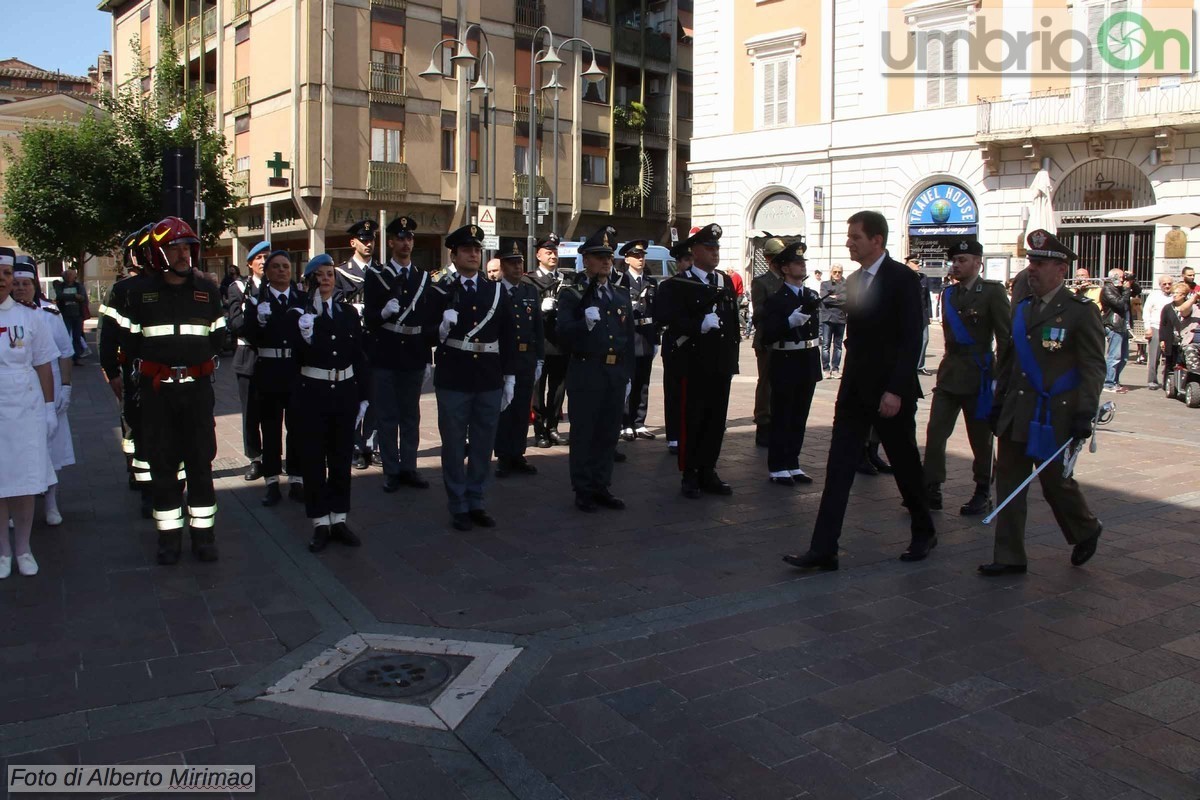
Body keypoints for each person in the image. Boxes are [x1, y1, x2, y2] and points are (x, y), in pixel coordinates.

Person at [784, 210, 935, 571]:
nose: (849, 242)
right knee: (838, 467)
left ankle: (923, 530)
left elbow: (911, 337)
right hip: (854, 391)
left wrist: (896, 390)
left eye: (855, 237)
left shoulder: (901, 278)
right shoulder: (853, 280)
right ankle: (824, 549)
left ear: (876, 241)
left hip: (889, 393)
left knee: (904, 464)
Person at [980, 229, 1106, 576]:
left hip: (1055, 415)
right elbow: (1009, 360)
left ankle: (1085, 528)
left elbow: (1094, 365)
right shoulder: (1022, 308)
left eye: (1039, 262)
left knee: (1055, 484)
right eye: (1030, 261)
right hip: (1016, 412)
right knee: (1008, 482)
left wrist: (1085, 411)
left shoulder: (1080, 312)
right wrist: (997, 400)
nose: (1031, 268)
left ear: (1061, 269)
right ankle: (1009, 556)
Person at [120, 218, 225, 565]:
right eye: (175, 247)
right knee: (163, 468)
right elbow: (129, 344)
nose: (183, 254)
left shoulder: (207, 289)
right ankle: (168, 540)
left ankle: (204, 538)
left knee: (200, 466)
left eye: (187, 247)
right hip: (158, 396)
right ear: (158, 252)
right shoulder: (138, 293)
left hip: (196, 394)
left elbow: (221, 338)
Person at [432, 224, 517, 531]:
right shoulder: (440, 289)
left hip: (488, 377)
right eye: (466, 250)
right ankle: (457, 504)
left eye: (477, 250)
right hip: (454, 377)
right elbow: (426, 332)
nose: (473, 254)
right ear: (453, 255)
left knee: (483, 443)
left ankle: (477, 499)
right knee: (454, 444)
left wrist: (509, 376)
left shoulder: (495, 290)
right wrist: (440, 329)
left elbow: (508, 335)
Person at [921, 240, 1011, 517]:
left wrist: (1002, 381)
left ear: (977, 263)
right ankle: (932, 487)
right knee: (935, 432)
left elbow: (1006, 339)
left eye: (962, 259)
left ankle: (982, 490)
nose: (956, 265)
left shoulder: (992, 293)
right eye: (954, 260)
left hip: (980, 375)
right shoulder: (949, 294)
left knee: (980, 439)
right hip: (950, 374)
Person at [655, 223, 741, 499]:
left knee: (716, 421)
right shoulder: (676, 284)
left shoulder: (724, 282)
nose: (715, 253)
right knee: (692, 419)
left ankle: (708, 469)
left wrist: (732, 360)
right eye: (709, 248)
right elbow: (665, 318)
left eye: (717, 248)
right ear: (694, 251)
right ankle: (689, 472)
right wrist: (697, 325)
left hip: (719, 363)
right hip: (692, 364)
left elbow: (732, 325)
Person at [292, 254, 368, 552]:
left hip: (344, 393)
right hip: (313, 393)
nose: (325, 280)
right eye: (319, 275)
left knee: (340, 459)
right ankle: (320, 522)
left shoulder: (347, 313)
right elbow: (295, 358)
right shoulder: (298, 314)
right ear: (310, 280)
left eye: (329, 275)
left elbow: (359, 356)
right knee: (314, 460)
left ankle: (339, 518)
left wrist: (364, 396)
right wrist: (304, 335)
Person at [557, 226, 635, 510]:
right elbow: (562, 333)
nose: (605, 261)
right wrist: (583, 324)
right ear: (585, 260)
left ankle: (602, 485)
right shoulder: (573, 295)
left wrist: (628, 375)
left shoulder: (620, 295)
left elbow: (627, 339)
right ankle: (583, 489)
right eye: (599, 256)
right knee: (584, 434)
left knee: (608, 433)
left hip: (614, 373)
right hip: (587, 371)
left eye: (608, 256)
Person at [364, 215, 435, 493]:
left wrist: (428, 357)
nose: (406, 243)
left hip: (414, 355)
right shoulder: (377, 277)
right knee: (387, 416)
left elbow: (427, 321)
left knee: (410, 416)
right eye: (401, 238)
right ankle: (391, 470)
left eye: (410, 238)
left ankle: (409, 467)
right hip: (386, 354)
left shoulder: (422, 277)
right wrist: (382, 313)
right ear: (390, 242)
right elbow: (369, 319)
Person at [0, 247, 59, 578]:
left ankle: (23, 548)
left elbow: (43, 365)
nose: (3, 281)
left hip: (24, 408)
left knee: (23, 483)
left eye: (7, 275)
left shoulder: (31, 317)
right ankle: (3, 551)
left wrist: (50, 407)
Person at [11, 257, 74, 526]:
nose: (21, 288)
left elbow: (65, 353)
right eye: (16, 283)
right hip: (19, 394)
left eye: (26, 283)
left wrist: (66, 388)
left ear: (35, 285)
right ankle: (14, 507)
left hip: (50, 390)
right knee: (16, 451)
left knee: (53, 450)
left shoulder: (49, 314)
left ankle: (50, 504)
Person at [242, 250, 306, 506]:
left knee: (297, 428)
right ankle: (271, 481)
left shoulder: (302, 299)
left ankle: (297, 479)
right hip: (268, 371)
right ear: (266, 272)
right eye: (276, 267)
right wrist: (257, 322)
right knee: (270, 429)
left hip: (294, 370)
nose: (281, 271)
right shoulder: (257, 301)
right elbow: (247, 334)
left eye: (286, 267)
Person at [98, 225, 154, 506]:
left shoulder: (170, 286)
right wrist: (111, 372)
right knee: (134, 428)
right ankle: (140, 478)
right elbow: (105, 338)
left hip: (164, 376)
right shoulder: (120, 291)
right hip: (133, 374)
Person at [760, 242, 822, 486]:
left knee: (799, 416)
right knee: (782, 414)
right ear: (785, 269)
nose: (802, 265)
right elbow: (767, 335)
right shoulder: (776, 299)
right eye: (797, 263)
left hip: (807, 360)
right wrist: (789, 322)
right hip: (785, 361)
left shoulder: (811, 296)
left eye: (803, 262)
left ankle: (793, 463)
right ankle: (777, 466)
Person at [493, 238, 545, 478]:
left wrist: (540, 359)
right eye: (512, 263)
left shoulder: (529, 290)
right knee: (505, 408)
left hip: (526, 357)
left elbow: (537, 327)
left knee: (523, 406)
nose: (517, 267)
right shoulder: (494, 290)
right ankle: (503, 455)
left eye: (520, 262)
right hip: (503, 359)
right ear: (502, 266)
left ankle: (518, 453)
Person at [227, 241, 269, 481]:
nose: (264, 262)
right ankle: (255, 457)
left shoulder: (277, 285)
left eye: (267, 257)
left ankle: (272, 455)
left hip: (271, 358)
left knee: (272, 412)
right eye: (259, 257)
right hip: (249, 356)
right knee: (250, 411)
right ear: (250, 263)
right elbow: (235, 323)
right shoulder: (239, 287)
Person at [340, 220, 379, 469]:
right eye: (363, 240)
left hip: (376, 342)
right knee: (353, 396)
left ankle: (371, 444)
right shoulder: (340, 272)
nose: (368, 243)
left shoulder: (382, 271)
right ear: (352, 242)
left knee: (375, 395)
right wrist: (353, 309)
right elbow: (335, 302)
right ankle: (353, 444)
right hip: (352, 343)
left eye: (371, 239)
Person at [613, 239, 659, 441]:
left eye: (642, 256)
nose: (640, 259)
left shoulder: (651, 282)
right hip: (628, 336)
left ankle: (639, 421)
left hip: (647, 335)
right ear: (627, 258)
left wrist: (656, 338)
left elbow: (656, 312)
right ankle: (625, 423)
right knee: (627, 381)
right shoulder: (621, 282)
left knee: (643, 381)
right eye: (636, 256)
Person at [528, 234, 570, 449]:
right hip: (540, 342)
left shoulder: (565, 279)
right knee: (537, 388)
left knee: (558, 388)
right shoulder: (530, 280)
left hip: (560, 343)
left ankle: (553, 426)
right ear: (538, 255)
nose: (553, 256)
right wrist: (539, 308)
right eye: (548, 252)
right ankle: (539, 429)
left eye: (555, 252)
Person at [749, 237, 787, 447]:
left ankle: (777, 422)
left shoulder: (786, 279)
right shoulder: (761, 282)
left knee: (782, 383)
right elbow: (758, 313)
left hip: (785, 340)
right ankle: (763, 423)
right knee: (766, 384)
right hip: (767, 341)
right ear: (770, 259)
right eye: (778, 258)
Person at [660, 241, 692, 455]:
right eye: (687, 260)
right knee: (674, 392)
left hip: (696, 348)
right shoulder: (669, 286)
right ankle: (673, 435)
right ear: (678, 263)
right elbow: (663, 317)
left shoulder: (707, 283)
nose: (690, 263)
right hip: (675, 346)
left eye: (692, 259)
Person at [1100, 267, 1141, 393]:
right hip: (1114, 326)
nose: (1124, 280)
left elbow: (1138, 291)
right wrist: (1127, 289)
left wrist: (1132, 281)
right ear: (1114, 277)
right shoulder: (1108, 289)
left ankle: (1115, 380)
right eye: (1122, 277)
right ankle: (1108, 383)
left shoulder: (1121, 289)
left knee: (1123, 357)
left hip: (1123, 326)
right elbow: (1120, 305)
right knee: (1114, 356)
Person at [1143, 274, 1175, 390]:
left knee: (1170, 355)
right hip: (1155, 326)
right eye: (1164, 284)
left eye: (1169, 284)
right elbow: (1146, 311)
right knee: (1154, 356)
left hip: (1170, 329)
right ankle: (1152, 380)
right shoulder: (1154, 295)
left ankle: (1168, 381)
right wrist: (1148, 328)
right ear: (1160, 285)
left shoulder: (1175, 296)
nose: (1167, 286)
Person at [52, 267, 88, 364]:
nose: (69, 277)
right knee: (65, 336)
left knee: (77, 337)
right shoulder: (61, 286)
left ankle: (77, 357)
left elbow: (83, 298)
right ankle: (66, 357)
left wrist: (72, 297)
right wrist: (74, 296)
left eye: (71, 275)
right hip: (65, 315)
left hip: (77, 315)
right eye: (67, 275)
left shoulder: (79, 286)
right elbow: (59, 296)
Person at [906, 256, 934, 376]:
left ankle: (920, 366)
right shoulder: (903, 277)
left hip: (922, 314)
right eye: (915, 262)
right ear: (907, 263)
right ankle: (909, 365)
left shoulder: (923, 278)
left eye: (919, 263)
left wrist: (930, 315)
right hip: (908, 315)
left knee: (924, 339)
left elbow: (927, 298)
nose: (918, 265)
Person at [819, 264, 848, 378]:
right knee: (826, 345)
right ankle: (826, 369)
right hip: (827, 318)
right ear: (831, 273)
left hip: (840, 318)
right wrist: (838, 298)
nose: (837, 274)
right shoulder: (825, 284)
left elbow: (847, 299)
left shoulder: (846, 285)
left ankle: (835, 369)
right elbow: (825, 299)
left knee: (838, 346)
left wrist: (836, 298)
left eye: (839, 272)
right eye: (835, 272)